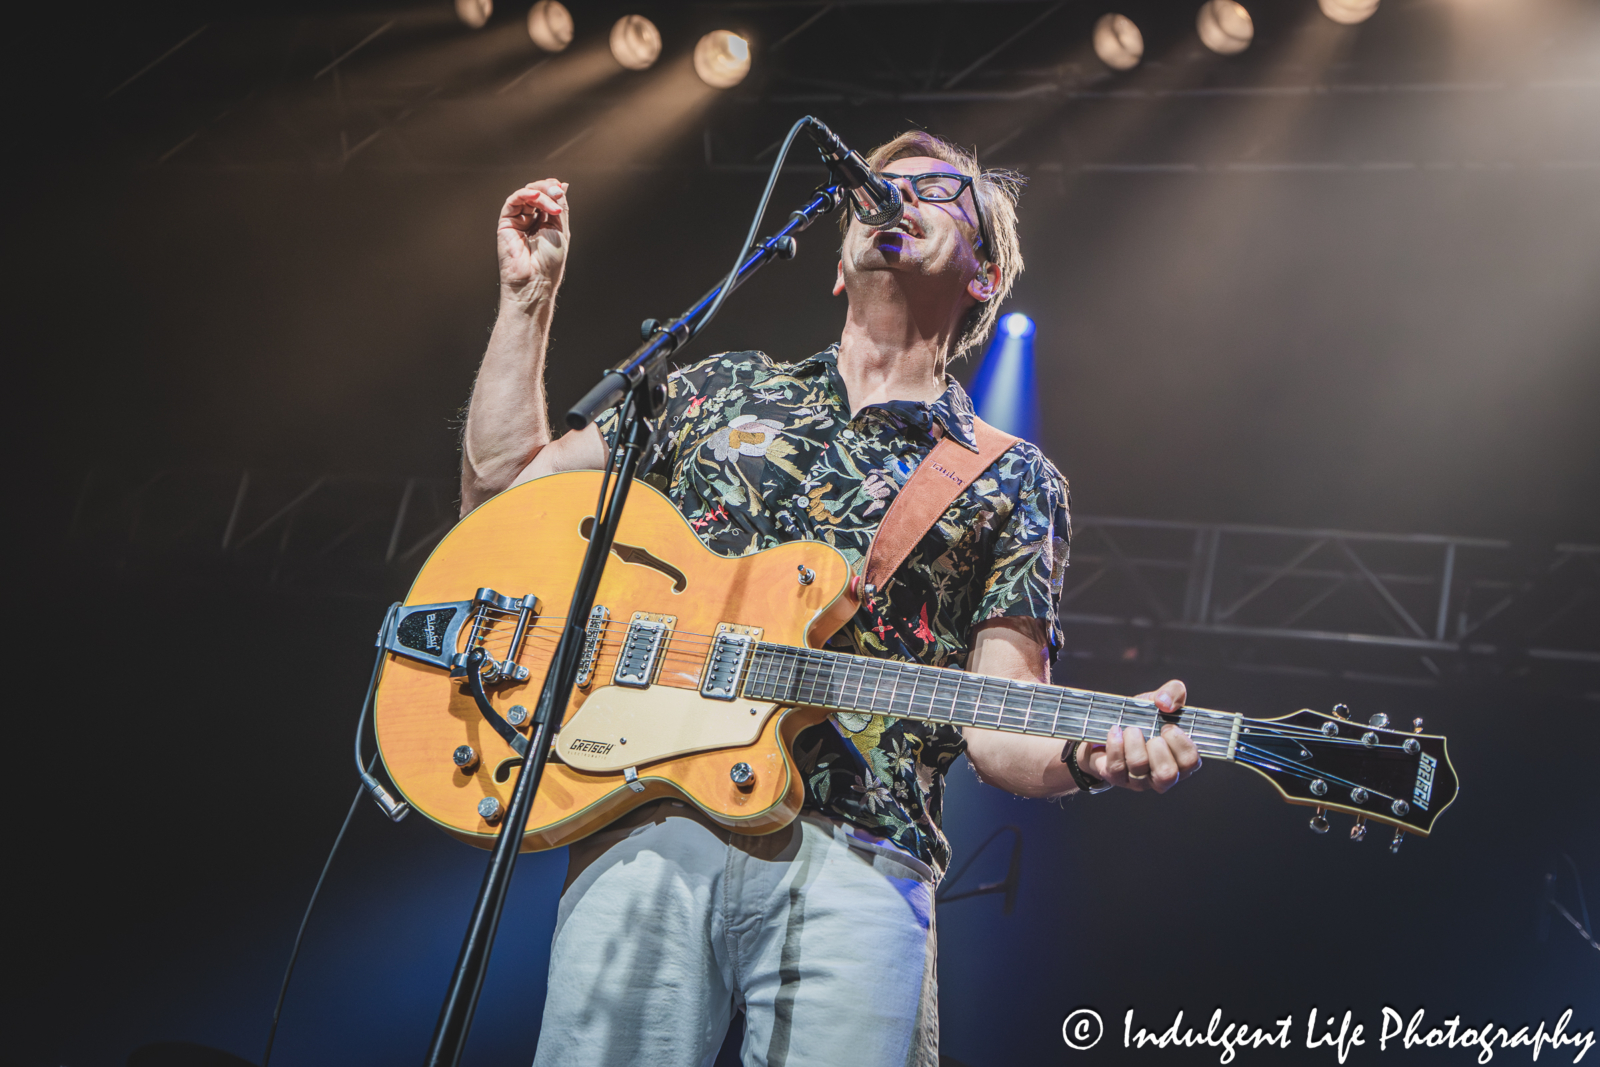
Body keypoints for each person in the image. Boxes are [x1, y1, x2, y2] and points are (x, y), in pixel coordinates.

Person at [458, 130, 1202, 1067]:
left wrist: (1090, 751)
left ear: (985, 274)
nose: (898, 196)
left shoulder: (1014, 478)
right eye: (880, 186)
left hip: (859, 854)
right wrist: (527, 302)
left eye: (939, 189)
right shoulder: (716, 389)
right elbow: (501, 506)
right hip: (649, 816)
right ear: (838, 267)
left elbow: (999, 723)